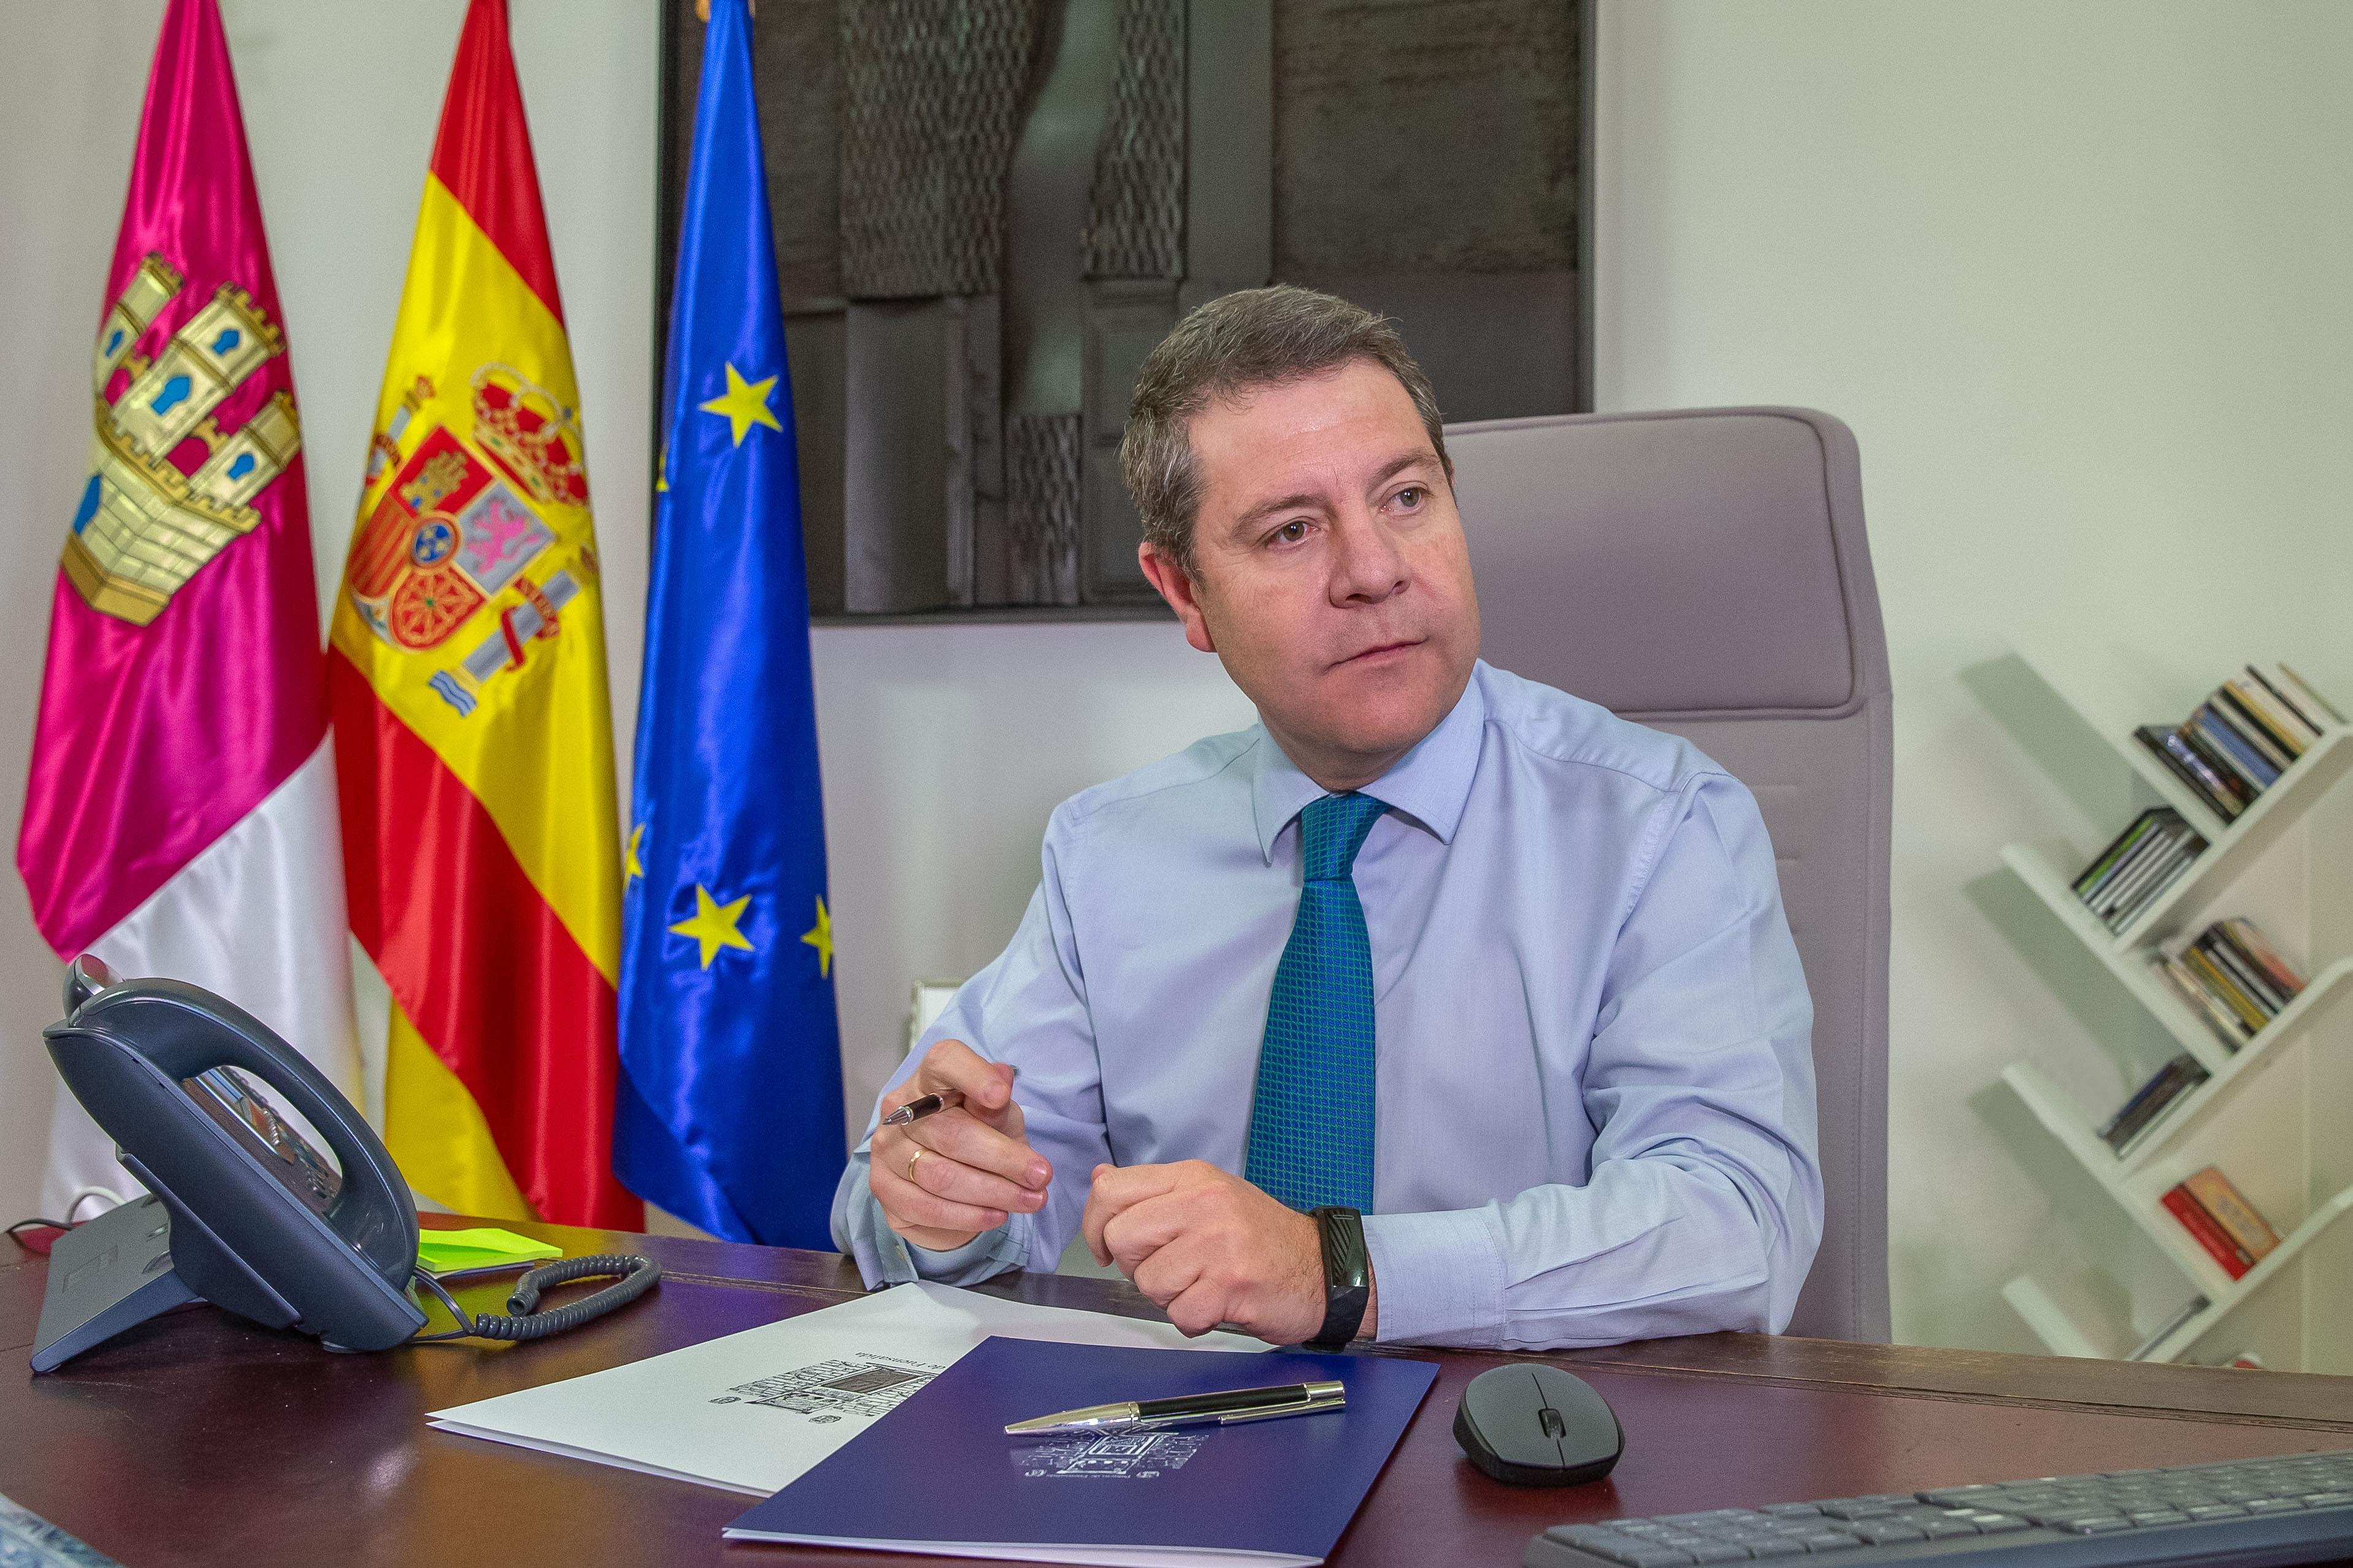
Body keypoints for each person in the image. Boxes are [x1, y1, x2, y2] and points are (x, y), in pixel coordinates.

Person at [830, 286, 1821, 1350]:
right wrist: (940, 1199)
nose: (1376, 570)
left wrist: (1340, 1274)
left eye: (1406, 497)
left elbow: (1738, 1219)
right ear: (1185, 592)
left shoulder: (1659, 827)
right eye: (1293, 530)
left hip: (1530, 1433)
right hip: (1194, 1434)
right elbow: (901, 1202)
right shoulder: (1107, 854)